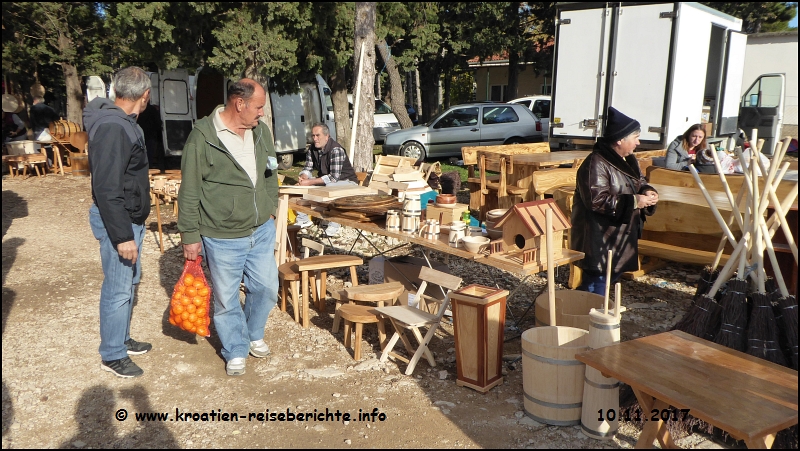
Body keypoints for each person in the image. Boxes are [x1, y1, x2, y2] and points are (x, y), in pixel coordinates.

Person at [178, 78, 280, 376]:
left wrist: (270, 208)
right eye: (259, 107)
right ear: (240, 104)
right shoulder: (203, 137)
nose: (262, 113)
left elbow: (271, 171)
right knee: (226, 298)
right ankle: (235, 348)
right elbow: (190, 190)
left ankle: (251, 332)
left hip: (260, 230)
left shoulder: (261, 132)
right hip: (221, 235)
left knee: (267, 288)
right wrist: (189, 235)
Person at [84, 67, 153, 378]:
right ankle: (112, 353)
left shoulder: (124, 122)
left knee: (128, 284)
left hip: (129, 218)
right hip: (119, 222)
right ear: (145, 95)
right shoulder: (114, 127)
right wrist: (123, 236)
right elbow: (107, 188)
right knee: (117, 288)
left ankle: (121, 338)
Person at [570, 107, 659, 295]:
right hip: (599, 239)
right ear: (620, 139)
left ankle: (580, 308)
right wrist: (635, 201)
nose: (638, 142)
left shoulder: (626, 159)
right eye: (635, 137)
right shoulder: (596, 163)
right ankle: (583, 317)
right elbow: (597, 200)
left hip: (617, 237)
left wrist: (648, 192)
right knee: (597, 285)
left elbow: (638, 182)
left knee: (607, 279)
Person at [295, 123, 359, 236]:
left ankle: (335, 223)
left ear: (326, 136)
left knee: (329, 188)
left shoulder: (336, 150)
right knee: (298, 187)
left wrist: (310, 182)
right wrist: (304, 176)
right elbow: (308, 167)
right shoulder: (312, 148)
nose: (315, 139)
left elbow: (334, 177)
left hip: (348, 182)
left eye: (317, 135)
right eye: (313, 136)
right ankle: (303, 218)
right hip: (331, 182)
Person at [137, 102, 164, 171]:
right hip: (151, 135)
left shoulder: (138, 109)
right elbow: (158, 122)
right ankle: (149, 169)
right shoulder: (152, 109)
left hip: (140, 135)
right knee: (149, 154)